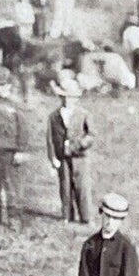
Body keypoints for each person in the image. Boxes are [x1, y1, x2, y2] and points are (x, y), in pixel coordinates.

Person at [0, 75, 31, 226]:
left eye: (4, 85)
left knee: (12, 188)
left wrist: (21, 150)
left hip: (11, 152)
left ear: (10, 86)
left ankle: (14, 219)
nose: (0, 88)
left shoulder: (16, 105)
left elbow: (24, 129)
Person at [46, 77, 93, 222]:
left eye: (71, 97)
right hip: (62, 157)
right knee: (65, 186)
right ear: (60, 97)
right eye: (64, 97)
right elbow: (49, 139)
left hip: (79, 157)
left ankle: (85, 218)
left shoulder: (83, 114)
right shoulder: (54, 116)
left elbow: (91, 135)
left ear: (76, 98)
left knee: (82, 187)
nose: (67, 100)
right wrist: (53, 157)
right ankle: (67, 216)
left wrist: (78, 145)